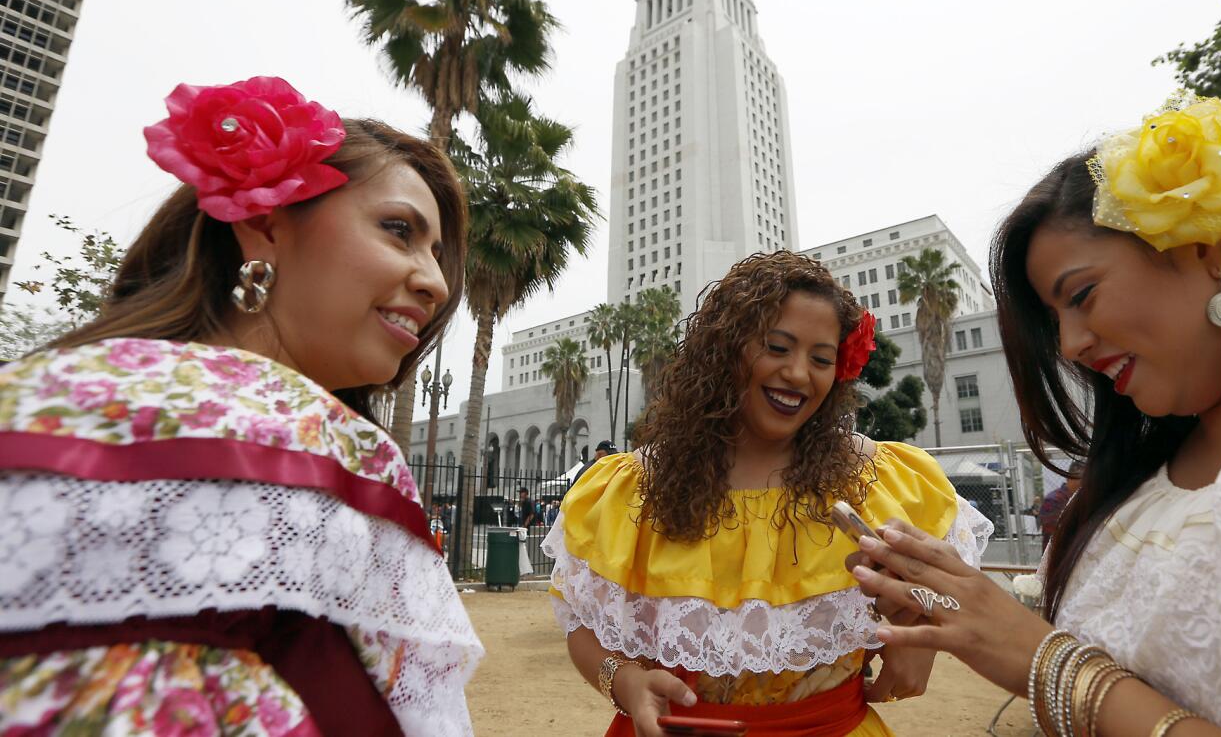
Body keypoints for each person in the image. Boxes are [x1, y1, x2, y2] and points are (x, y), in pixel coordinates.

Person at [848, 91, 1221, 736]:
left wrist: (1050, 666)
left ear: (1207, 246)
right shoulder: (1144, 468)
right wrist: (964, 604)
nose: (1071, 344)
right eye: (1055, 323)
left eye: (1082, 295)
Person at [0, 76, 483, 735]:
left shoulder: (32, 396)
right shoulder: (336, 453)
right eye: (398, 230)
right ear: (262, 223)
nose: (435, 283)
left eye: (436, 254)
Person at [543, 251, 993, 737]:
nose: (799, 373)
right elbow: (582, 629)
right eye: (778, 348)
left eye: (821, 359)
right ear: (726, 350)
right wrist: (625, 682)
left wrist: (919, 633)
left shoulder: (879, 480)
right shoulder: (633, 489)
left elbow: (955, 596)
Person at [1035, 475, 1079, 548]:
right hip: (1060, 554)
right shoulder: (1054, 500)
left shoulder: (1075, 499)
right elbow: (1053, 536)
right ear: (1070, 477)